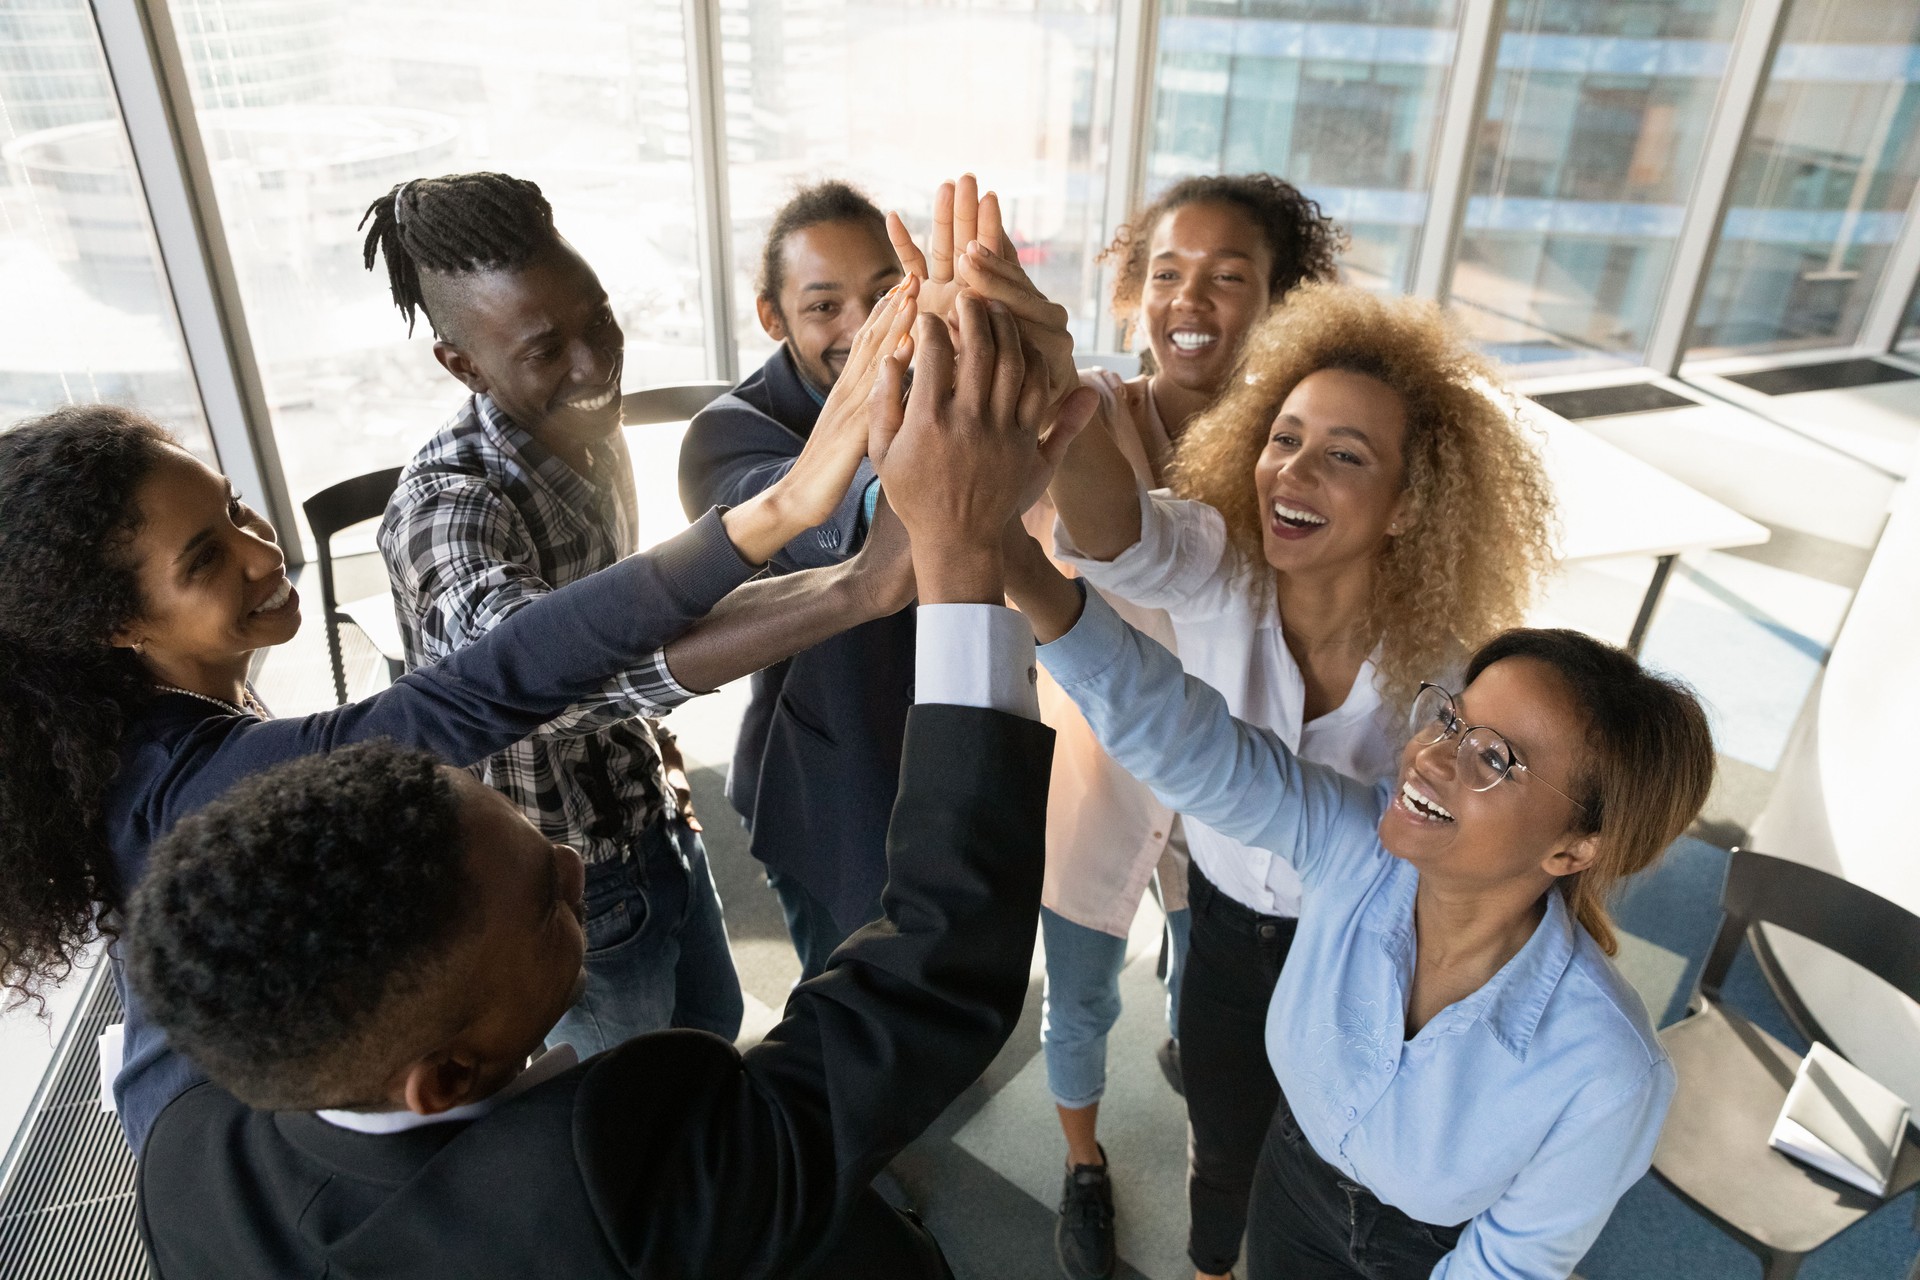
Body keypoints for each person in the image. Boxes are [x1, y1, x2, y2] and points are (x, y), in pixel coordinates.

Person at [129, 293, 1103, 1279]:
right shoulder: (607, 1187)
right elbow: (937, 967)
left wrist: (854, 566)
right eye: (549, 903)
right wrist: (966, 556)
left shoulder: (186, 1151)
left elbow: (501, 681)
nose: (570, 866)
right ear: (445, 1075)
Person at [0, 282, 918, 1152]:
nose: (258, 547)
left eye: (236, 507)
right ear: (112, 623)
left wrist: (851, 585)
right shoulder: (187, 778)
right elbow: (483, 688)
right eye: (204, 558)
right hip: (248, 1164)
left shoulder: (163, 706)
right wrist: (786, 511)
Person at [969, 267, 1557, 1278]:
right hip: (1227, 929)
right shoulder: (1215, 558)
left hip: (1372, 944)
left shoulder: (1453, 671)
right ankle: (1208, 1266)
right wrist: (1062, 384)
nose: (1292, 473)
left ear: (1411, 505)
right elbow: (1114, 532)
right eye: (1283, 438)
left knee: (1337, 1162)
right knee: (1225, 1133)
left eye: (1343, 455)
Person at [999, 530, 1712, 1280]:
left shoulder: (1608, 1070)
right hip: (1289, 1174)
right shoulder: (1355, 848)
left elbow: (1504, 1268)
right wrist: (1022, 567)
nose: (1432, 757)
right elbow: (1192, 746)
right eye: (1450, 720)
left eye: (1495, 758)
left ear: (1572, 852)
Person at [1009, 173, 1346, 1280]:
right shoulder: (1083, 417)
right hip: (1096, 784)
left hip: (1237, 809)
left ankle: (1214, 1135)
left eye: (1230, 277)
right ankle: (1082, 1161)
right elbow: (1099, 534)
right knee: (1081, 996)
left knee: (1222, 1016)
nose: (1190, 298)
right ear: (1131, 291)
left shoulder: (1301, 449)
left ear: (1283, 301)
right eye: (1167, 272)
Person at [365, 171, 766, 1051]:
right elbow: (549, 673)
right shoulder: (446, 510)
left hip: (649, 818)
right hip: (563, 888)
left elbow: (622, 601)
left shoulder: (588, 426)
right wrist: (847, 585)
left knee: (713, 1035)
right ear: (462, 364)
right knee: (628, 1122)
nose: (595, 365)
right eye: (548, 351)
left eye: (600, 322)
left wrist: (657, 766)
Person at [677, 178, 911, 979]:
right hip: (831, 782)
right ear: (772, 316)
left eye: (886, 295)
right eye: (824, 306)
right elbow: (806, 515)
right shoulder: (728, 436)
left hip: (950, 756)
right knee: (840, 1012)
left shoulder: (937, 385)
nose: (864, 328)